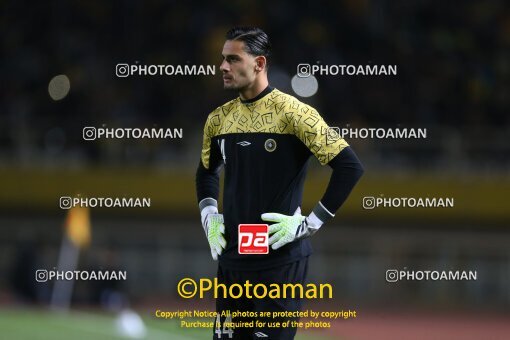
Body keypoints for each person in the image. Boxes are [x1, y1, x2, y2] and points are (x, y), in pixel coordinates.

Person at [196, 27, 364, 340]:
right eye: (222, 59)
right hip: (233, 258)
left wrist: (309, 224)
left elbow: (350, 167)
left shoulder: (296, 113)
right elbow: (207, 171)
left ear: (259, 64)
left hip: (279, 261)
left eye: (233, 59)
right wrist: (209, 216)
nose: (222, 67)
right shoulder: (218, 119)